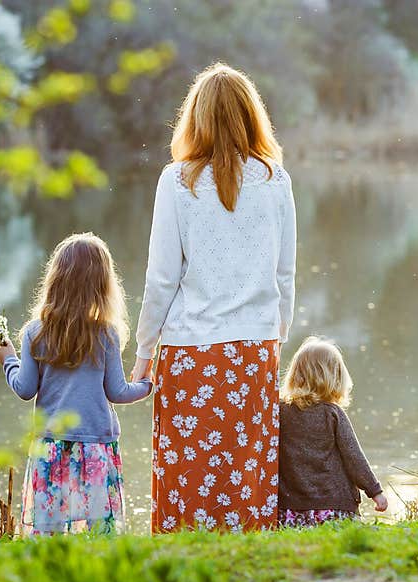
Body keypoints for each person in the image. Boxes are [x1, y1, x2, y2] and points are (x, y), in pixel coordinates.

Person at [132, 63, 296, 533]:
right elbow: (284, 273)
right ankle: (248, 565)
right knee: (247, 476)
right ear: (251, 117)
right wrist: (277, 334)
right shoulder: (275, 181)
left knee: (188, 478)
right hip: (253, 350)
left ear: (196, 118)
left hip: (189, 353)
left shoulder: (176, 181)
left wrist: (145, 352)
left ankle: (185, 573)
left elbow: (162, 278)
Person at [0, 233, 152, 535]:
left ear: (55, 279)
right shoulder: (106, 335)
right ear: (103, 285)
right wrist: (147, 384)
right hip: (95, 450)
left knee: (49, 533)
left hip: (50, 449)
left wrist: (8, 360)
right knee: (97, 535)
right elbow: (117, 392)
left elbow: (25, 389)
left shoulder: (34, 332)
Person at [278, 336, 387, 528]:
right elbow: (354, 457)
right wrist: (375, 491)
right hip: (334, 509)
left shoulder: (280, 411)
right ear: (335, 376)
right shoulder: (332, 413)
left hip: (291, 510)